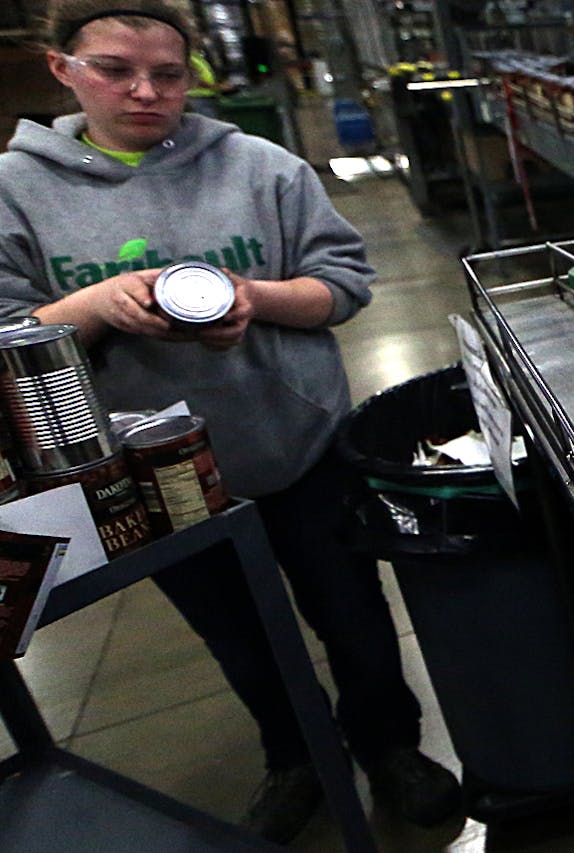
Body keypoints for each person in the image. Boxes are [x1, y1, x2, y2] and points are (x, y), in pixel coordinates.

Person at [0, 0, 460, 843]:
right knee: (240, 637)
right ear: (61, 68)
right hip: (150, 477)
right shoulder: (15, 191)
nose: (145, 91)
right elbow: (8, 336)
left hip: (298, 443)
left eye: (168, 74)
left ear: (192, 75)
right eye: (114, 69)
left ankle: (393, 747)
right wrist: (96, 306)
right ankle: (294, 754)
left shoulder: (260, 166)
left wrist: (256, 297)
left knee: (353, 611)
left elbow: (344, 282)